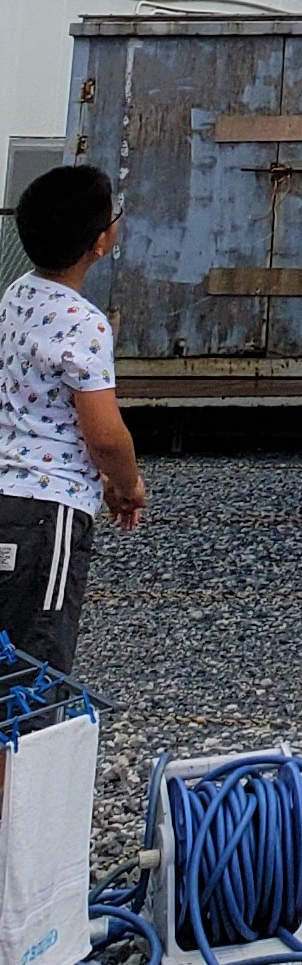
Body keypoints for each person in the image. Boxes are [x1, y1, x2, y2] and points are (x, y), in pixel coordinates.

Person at [0, 161, 145, 680]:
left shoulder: (16, 294)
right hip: (49, 511)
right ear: (98, 243)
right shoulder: (85, 324)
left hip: (4, 492)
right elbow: (105, 435)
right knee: (36, 661)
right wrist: (126, 484)